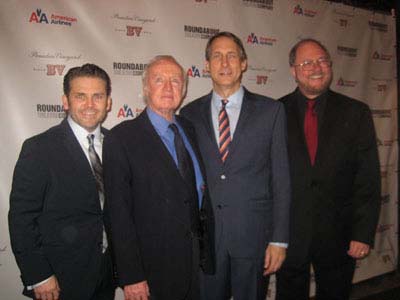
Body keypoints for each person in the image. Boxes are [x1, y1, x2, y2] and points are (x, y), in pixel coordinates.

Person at [180, 31, 291, 300]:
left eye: (232, 55)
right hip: (208, 240)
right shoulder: (189, 114)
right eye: (217, 56)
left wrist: (279, 239)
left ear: (244, 63)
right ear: (206, 66)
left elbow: (281, 177)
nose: (225, 63)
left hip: (253, 237)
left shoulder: (271, 111)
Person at [275, 38, 381, 300]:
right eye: (307, 62)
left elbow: (367, 178)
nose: (316, 67)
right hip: (289, 236)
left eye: (322, 60)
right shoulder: (275, 112)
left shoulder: (356, 113)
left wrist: (362, 233)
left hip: (339, 236)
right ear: (293, 70)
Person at [103, 55, 215, 300]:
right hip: (152, 269)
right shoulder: (121, 138)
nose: (168, 87)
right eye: (159, 80)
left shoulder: (190, 129)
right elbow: (117, 215)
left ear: (184, 90)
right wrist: (131, 275)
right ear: (146, 88)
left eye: (175, 81)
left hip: (195, 262)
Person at [9, 63, 115, 300]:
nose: (90, 105)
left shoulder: (117, 145)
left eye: (98, 96)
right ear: (65, 101)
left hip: (106, 275)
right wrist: (39, 275)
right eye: (80, 96)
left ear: (108, 102)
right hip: (58, 281)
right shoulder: (39, 149)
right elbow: (21, 218)